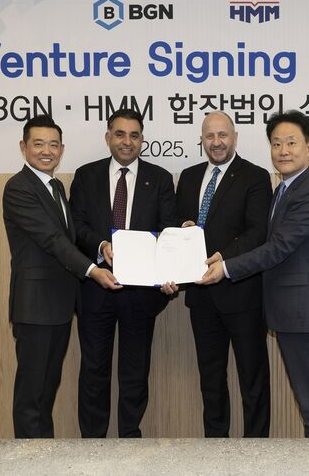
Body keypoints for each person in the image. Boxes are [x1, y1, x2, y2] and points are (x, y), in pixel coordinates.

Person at [196, 110, 309, 438]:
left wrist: (226, 267)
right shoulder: (285, 190)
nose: (283, 151)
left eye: (291, 143)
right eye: (276, 144)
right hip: (288, 312)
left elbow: (276, 248)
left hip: (302, 314)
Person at [2, 114, 120, 438]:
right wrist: (93, 271)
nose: (47, 151)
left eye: (53, 145)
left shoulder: (55, 187)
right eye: (38, 144)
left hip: (58, 307)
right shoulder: (19, 188)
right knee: (32, 395)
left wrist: (102, 248)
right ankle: (30, 458)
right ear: (23, 147)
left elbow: (70, 237)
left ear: (62, 149)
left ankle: (44, 455)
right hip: (35, 308)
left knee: (46, 391)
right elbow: (52, 240)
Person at [69, 108, 178, 438]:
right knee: (94, 371)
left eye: (134, 135)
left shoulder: (160, 179)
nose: (127, 141)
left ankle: (130, 441)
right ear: (108, 138)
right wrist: (101, 244)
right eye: (120, 134)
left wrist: (169, 269)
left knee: (135, 373)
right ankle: (93, 443)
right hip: (97, 289)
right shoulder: (86, 176)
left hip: (140, 294)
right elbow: (76, 226)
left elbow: (167, 230)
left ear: (142, 140)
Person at [170, 111, 272, 437]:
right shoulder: (188, 177)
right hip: (201, 298)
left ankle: (257, 449)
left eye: (223, 135)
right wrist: (182, 229)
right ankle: (215, 448)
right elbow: (175, 227)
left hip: (242, 295)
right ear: (201, 140)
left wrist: (224, 259)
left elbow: (258, 232)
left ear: (235, 138)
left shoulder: (255, 177)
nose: (217, 142)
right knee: (210, 380)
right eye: (210, 136)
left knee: (252, 379)